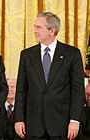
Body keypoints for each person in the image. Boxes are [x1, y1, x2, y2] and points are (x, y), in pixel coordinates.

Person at [14, 12, 85, 140]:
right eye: (35, 27)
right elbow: (21, 90)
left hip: (62, 126)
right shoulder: (26, 55)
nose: (35, 31)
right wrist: (18, 119)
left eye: (39, 27)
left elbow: (78, 90)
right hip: (33, 126)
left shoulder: (72, 54)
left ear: (52, 30)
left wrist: (75, 120)